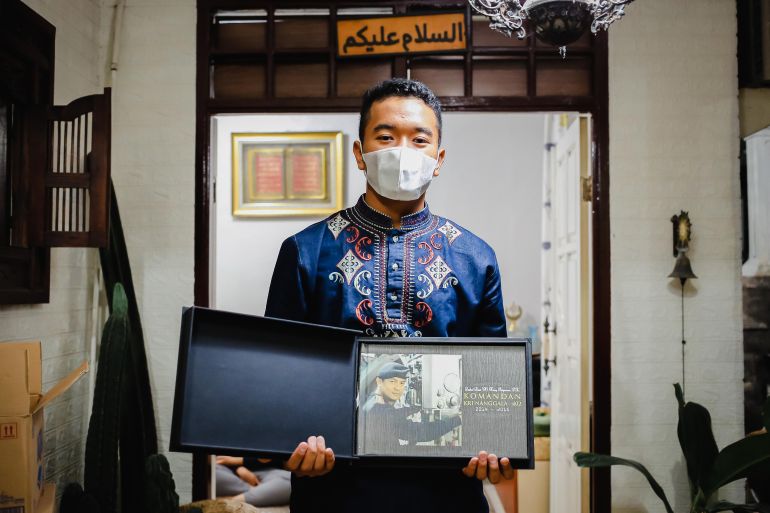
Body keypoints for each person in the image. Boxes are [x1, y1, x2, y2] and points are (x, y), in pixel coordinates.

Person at [264, 78, 514, 513]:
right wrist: (290, 450)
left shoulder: (476, 258)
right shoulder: (305, 251)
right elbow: (278, 375)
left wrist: (495, 445)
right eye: (385, 137)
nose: (403, 151)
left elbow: (492, 385)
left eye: (419, 139)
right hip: (335, 493)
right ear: (360, 153)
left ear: (438, 159)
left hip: (446, 495)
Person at [360, 361, 461, 454]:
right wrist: (457, 420)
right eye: (392, 381)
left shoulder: (370, 402)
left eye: (401, 383)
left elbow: (394, 414)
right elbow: (426, 432)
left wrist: (414, 409)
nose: (397, 388)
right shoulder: (386, 417)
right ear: (379, 381)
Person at [215, 456, 290, 507]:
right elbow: (218, 459)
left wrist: (238, 461)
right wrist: (238, 468)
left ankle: (229, 502)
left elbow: (277, 457)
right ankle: (257, 491)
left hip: (270, 472)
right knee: (212, 472)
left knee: (290, 482)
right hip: (229, 471)